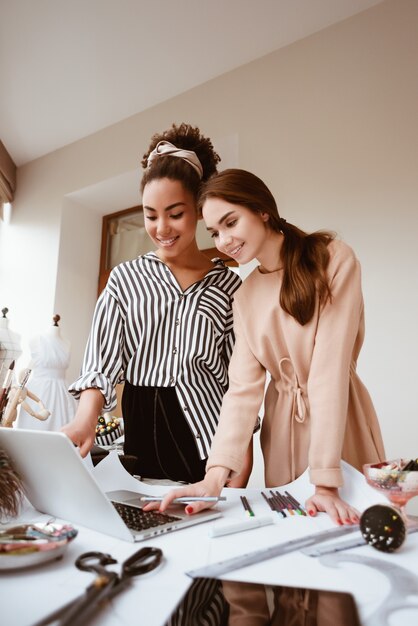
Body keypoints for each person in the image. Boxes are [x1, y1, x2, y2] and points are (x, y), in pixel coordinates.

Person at [150, 168, 386, 525]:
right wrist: (214, 478)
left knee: (356, 538)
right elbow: (242, 392)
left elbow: (328, 370)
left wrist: (324, 481)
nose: (224, 240)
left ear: (262, 210)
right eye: (214, 232)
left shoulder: (333, 258)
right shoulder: (244, 295)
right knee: (294, 546)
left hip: (340, 426)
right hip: (281, 438)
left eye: (231, 222)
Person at [63, 127, 253, 489]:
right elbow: (101, 363)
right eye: (150, 215)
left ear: (198, 209)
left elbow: (240, 381)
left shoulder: (229, 286)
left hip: (209, 447)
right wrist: (85, 418)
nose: (161, 227)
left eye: (175, 213)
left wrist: (242, 448)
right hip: (140, 445)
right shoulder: (125, 280)